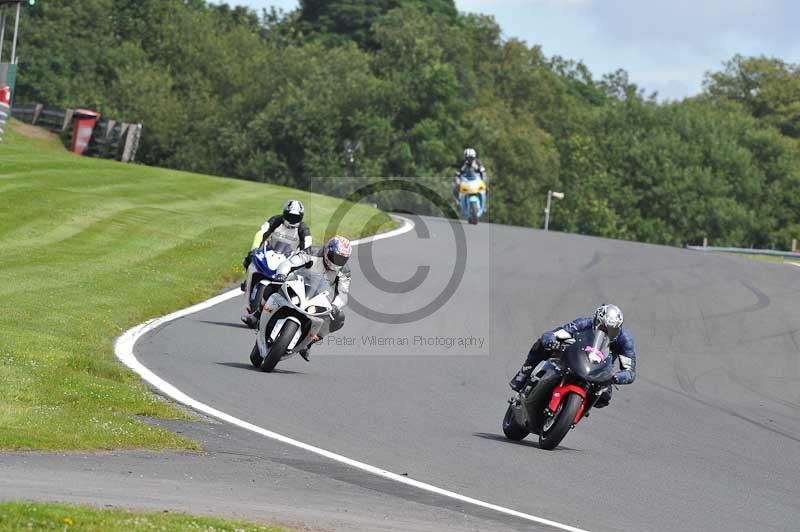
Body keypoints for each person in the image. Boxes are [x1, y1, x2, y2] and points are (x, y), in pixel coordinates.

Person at [509, 304, 636, 408]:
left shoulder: (625, 340)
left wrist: (616, 377)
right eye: (602, 327)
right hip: (575, 358)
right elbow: (556, 333)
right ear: (595, 321)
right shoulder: (583, 323)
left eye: (613, 330)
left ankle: (577, 409)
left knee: (604, 398)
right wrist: (551, 339)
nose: (607, 332)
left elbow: (630, 372)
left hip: (599, 371)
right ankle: (524, 372)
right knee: (543, 344)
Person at [272, 235, 352, 361]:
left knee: (338, 318)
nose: (337, 261)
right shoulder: (312, 252)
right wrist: (281, 274)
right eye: (335, 257)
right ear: (328, 250)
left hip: (318, 297)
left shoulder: (344, 271)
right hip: (296, 285)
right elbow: (289, 263)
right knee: (271, 285)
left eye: (342, 259)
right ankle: (256, 314)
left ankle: (309, 342)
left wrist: (335, 306)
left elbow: (343, 293)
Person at [241, 200, 312, 325]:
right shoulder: (276, 220)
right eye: (290, 215)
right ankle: (247, 283)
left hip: (288, 259)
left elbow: (307, 245)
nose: (292, 219)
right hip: (271, 251)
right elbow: (261, 232)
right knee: (249, 260)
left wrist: (307, 259)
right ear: (284, 213)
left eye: (295, 217)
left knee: (297, 280)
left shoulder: (303, 228)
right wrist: (254, 248)